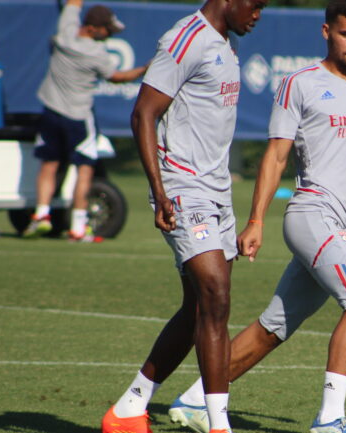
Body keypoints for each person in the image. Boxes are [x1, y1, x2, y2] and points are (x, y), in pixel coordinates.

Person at [166, 1, 346, 433]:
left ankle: (196, 400)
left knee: (273, 327)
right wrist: (256, 220)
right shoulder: (300, 83)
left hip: (343, 227)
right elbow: (276, 156)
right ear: (326, 32)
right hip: (311, 215)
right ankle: (330, 420)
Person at [100, 1, 267, 433]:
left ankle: (128, 409)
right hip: (180, 188)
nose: (259, 14)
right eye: (255, 4)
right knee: (216, 295)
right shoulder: (185, 38)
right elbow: (143, 113)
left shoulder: (226, 44)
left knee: (198, 307)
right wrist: (160, 191)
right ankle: (218, 426)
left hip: (217, 194)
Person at [23, 0, 147, 242]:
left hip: (50, 111)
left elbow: (73, 4)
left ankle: (40, 216)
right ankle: (78, 228)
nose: (109, 34)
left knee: (49, 165)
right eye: (107, 30)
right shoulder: (96, 53)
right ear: (92, 29)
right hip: (78, 117)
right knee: (85, 170)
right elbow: (117, 77)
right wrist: (144, 69)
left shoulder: (64, 32)